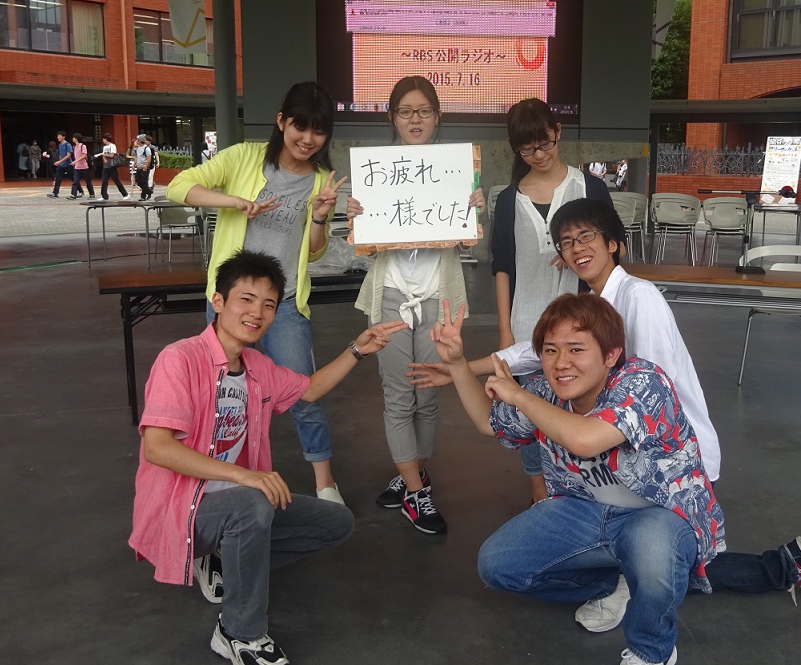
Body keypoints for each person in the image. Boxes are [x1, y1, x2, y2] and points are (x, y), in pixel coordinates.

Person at [413, 196, 801, 601]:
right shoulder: (591, 302)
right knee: (650, 559)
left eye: (586, 237)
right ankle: (783, 566)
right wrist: (460, 367)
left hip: (664, 457)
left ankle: (774, 569)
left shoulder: (639, 296)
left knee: (661, 562)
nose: (576, 248)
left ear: (614, 243)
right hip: (615, 455)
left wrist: (540, 403)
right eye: (566, 242)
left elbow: (651, 387)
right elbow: (534, 351)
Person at [431, 293, 725, 665]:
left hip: (660, 515)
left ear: (611, 354)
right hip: (584, 511)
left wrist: (520, 396)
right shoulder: (545, 392)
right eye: (550, 350)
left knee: (652, 549)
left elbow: (585, 439)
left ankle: (651, 650)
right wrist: (458, 363)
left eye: (576, 349)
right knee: (498, 564)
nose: (560, 362)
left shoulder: (643, 382)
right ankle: (614, 582)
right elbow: (487, 421)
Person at [129, 249, 405, 665]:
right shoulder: (179, 359)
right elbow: (158, 449)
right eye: (246, 299)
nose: (257, 313)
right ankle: (238, 632)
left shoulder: (257, 366)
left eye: (269, 304)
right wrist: (243, 475)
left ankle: (227, 559)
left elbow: (309, 390)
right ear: (218, 301)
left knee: (335, 522)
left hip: (234, 503)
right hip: (180, 508)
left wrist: (358, 349)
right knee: (253, 503)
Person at [166, 81, 350, 503]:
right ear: (282, 122)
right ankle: (220, 477)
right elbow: (178, 186)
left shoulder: (321, 180)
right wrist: (234, 202)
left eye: (319, 131)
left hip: (283, 304)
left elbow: (314, 252)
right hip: (231, 302)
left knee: (304, 392)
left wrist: (320, 216)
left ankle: (325, 483)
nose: (308, 139)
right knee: (220, 392)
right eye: (300, 126)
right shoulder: (244, 157)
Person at [345, 75, 485, 534]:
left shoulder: (455, 171)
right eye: (405, 111)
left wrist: (473, 210)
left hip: (439, 299)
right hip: (390, 297)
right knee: (398, 396)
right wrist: (356, 220)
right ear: (392, 118)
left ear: (437, 116)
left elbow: (467, 242)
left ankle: (412, 475)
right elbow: (364, 249)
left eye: (424, 111)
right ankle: (416, 493)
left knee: (428, 395)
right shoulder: (376, 172)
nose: (415, 119)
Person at [491, 97, 614, 502]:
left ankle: (586, 490)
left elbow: (615, 248)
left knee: (584, 407)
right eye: (527, 149)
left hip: (583, 327)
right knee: (529, 411)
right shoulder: (508, 199)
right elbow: (502, 266)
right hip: (527, 324)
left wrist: (579, 252)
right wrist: (506, 331)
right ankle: (539, 492)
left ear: (558, 132)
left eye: (545, 143)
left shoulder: (589, 188)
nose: (539, 154)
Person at [98, 132, 129, 200]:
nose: (103, 140)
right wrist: (104, 158)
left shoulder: (112, 146)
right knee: (104, 181)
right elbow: (104, 155)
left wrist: (103, 155)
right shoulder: (105, 147)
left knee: (116, 180)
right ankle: (104, 196)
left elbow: (112, 155)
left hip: (112, 166)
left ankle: (125, 194)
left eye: (103, 139)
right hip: (106, 166)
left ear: (106, 139)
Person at [48, 131, 74, 199]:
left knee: (73, 178)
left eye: (59, 136)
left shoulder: (67, 145)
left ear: (63, 137)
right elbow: (61, 155)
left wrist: (60, 161)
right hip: (62, 165)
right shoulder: (59, 145)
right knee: (58, 178)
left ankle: (80, 191)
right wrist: (58, 161)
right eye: (57, 136)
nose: (58, 137)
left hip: (68, 164)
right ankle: (55, 193)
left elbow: (68, 155)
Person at [68, 133, 93, 200]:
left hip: (84, 167)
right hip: (77, 167)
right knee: (75, 181)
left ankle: (92, 194)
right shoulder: (74, 147)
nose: (72, 139)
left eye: (73, 137)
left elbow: (84, 155)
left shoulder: (83, 146)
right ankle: (73, 194)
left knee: (88, 181)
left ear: (76, 138)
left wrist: (75, 161)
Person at [134, 133, 156, 201]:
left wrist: (146, 166)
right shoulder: (138, 148)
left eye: (138, 140)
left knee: (144, 182)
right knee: (138, 181)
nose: (136, 141)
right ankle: (149, 191)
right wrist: (134, 164)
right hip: (139, 167)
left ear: (140, 141)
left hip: (144, 168)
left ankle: (143, 196)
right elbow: (137, 157)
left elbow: (149, 158)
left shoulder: (146, 149)